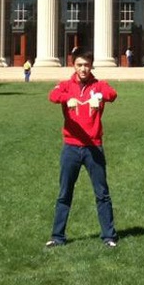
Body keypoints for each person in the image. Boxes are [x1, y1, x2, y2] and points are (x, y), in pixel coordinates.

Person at [46, 47, 118, 248]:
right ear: (73, 65)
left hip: (93, 147)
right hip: (71, 147)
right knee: (64, 193)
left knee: (102, 193)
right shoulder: (66, 86)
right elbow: (52, 95)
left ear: (91, 65)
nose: (83, 69)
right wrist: (66, 98)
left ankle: (109, 236)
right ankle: (57, 236)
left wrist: (101, 97)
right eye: (79, 65)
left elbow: (113, 94)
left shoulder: (99, 85)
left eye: (86, 65)